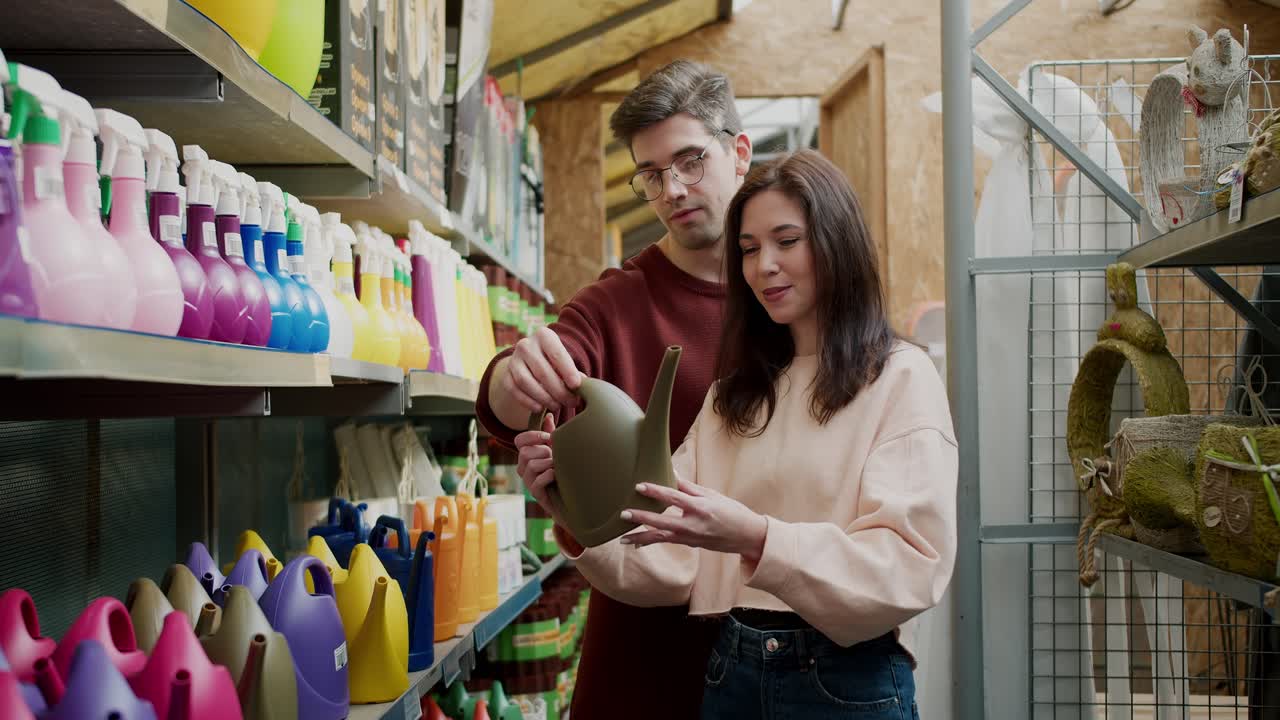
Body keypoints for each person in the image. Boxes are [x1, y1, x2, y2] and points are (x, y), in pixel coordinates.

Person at [515, 150, 958, 719]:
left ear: (836, 241)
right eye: (748, 250)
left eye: (787, 240)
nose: (763, 266)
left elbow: (907, 568)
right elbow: (665, 552)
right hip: (733, 672)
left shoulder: (899, 377)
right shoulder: (732, 398)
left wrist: (755, 537)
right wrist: (573, 513)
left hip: (846, 683)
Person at [474, 59, 752, 719]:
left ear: (739, 152)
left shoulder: (793, 294)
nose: (672, 189)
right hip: (644, 659)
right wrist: (516, 378)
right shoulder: (618, 302)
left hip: (788, 657)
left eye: (690, 161)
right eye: (652, 174)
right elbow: (506, 404)